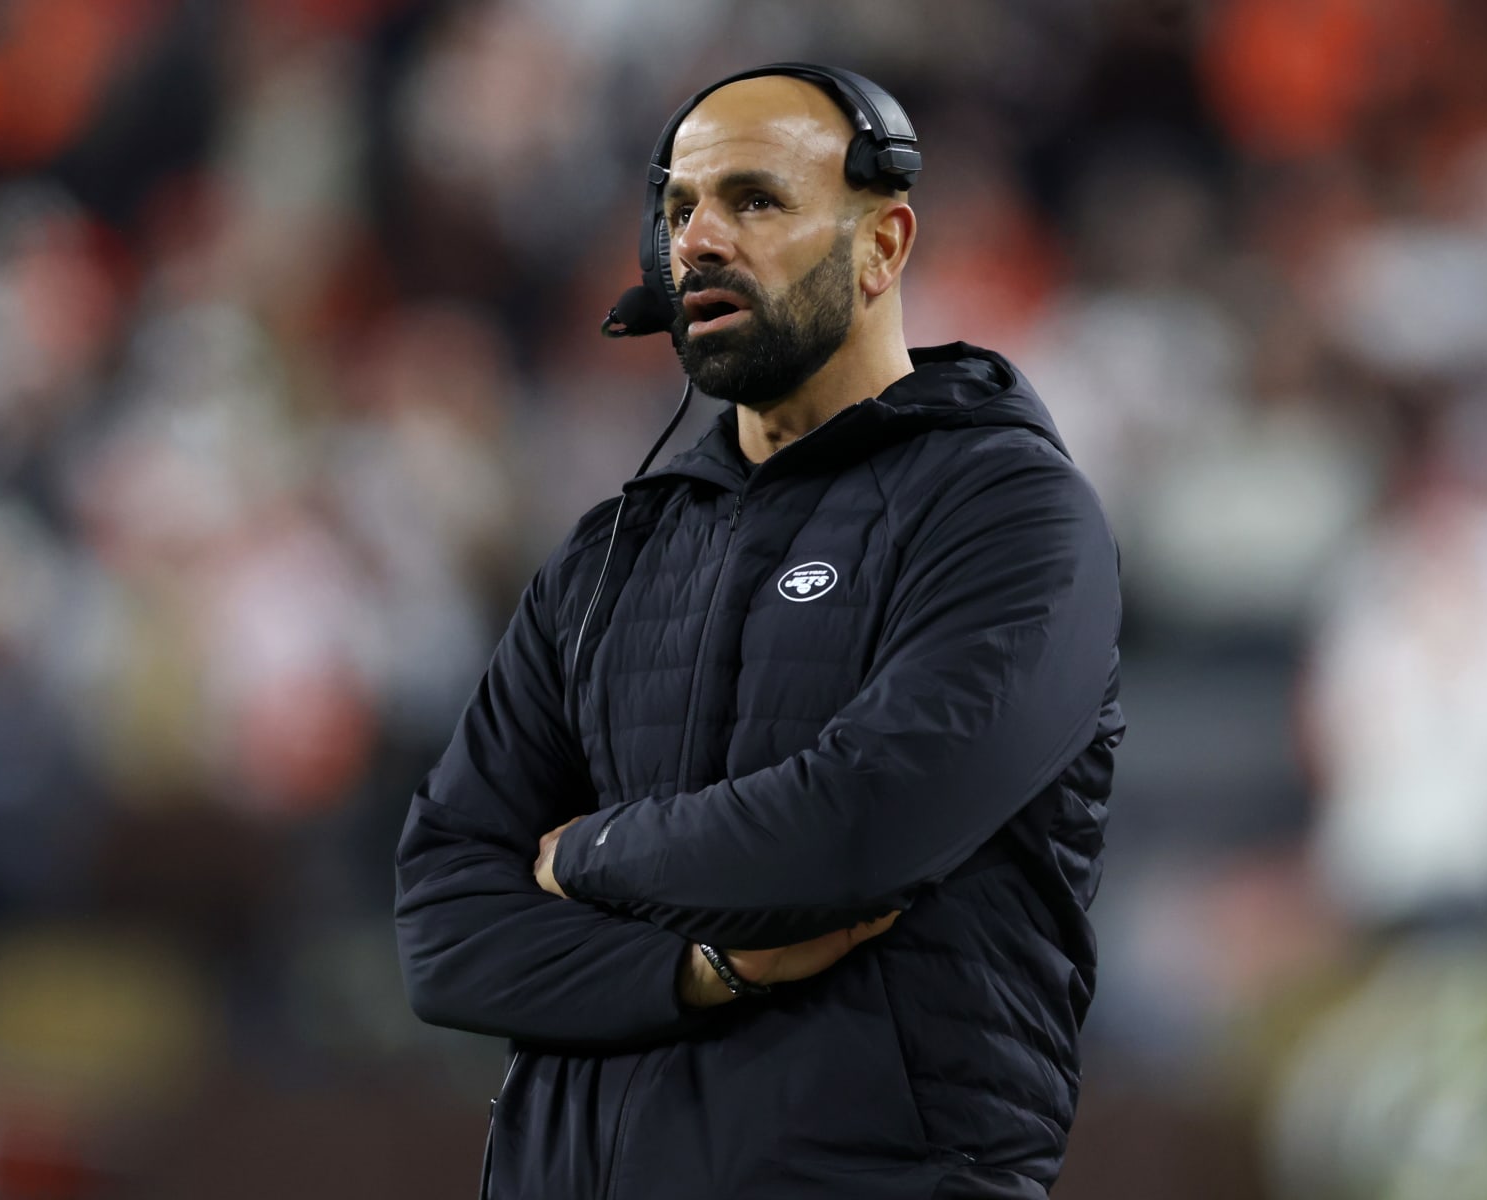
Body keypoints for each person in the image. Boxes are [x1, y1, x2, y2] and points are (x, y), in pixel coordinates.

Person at [394, 62, 1124, 1200]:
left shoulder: (1008, 511)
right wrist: (703, 969)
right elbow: (442, 925)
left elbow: (863, 826)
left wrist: (582, 855)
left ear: (883, 246)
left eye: (756, 200)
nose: (697, 242)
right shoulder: (609, 555)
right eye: (680, 209)